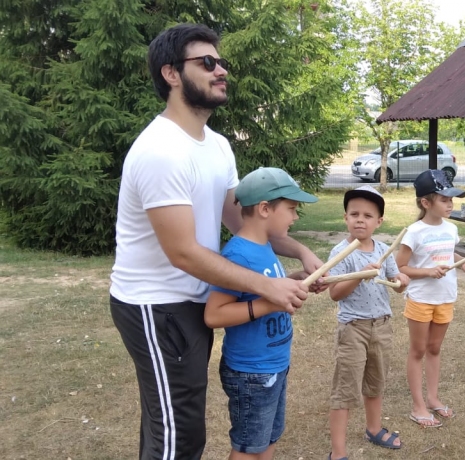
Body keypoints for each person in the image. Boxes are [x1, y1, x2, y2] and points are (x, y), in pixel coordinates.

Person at [108, 24, 323, 459]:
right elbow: (183, 252)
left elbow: (241, 223)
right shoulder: (161, 151)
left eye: (220, 61)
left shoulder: (218, 146)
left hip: (191, 299)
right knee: (179, 433)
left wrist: (300, 253)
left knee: (172, 419)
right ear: (171, 73)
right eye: (207, 62)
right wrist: (269, 287)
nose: (221, 69)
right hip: (156, 304)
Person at [203, 167, 319, 459]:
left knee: (267, 441)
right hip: (250, 373)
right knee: (247, 449)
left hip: (274, 366)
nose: (295, 217)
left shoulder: (264, 246)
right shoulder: (238, 255)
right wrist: (271, 303)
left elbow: (267, 288)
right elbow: (214, 315)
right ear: (265, 209)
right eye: (292, 209)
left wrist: (296, 282)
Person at [326, 185, 410, 459]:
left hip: (382, 325)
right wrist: (358, 276)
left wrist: (401, 282)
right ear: (345, 218)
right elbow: (334, 293)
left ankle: (373, 429)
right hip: (354, 329)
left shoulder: (384, 249)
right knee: (345, 389)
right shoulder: (341, 252)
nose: (360, 219)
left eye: (367, 215)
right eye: (354, 214)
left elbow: (396, 284)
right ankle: (338, 452)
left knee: (376, 382)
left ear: (379, 221)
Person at [395, 169, 465, 428]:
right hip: (421, 299)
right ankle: (418, 406)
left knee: (435, 349)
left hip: (445, 297)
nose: (450, 204)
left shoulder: (451, 229)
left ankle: (433, 398)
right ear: (426, 203)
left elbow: (448, 255)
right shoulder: (414, 232)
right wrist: (427, 272)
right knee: (418, 351)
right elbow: (400, 267)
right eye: (444, 199)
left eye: (452, 200)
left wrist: (463, 263)